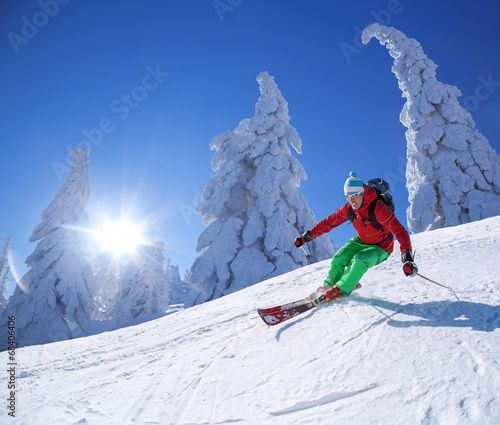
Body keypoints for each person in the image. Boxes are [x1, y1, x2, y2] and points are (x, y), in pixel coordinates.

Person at [294, 171, 418, 299]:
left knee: (360, 259)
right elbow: (329, 222)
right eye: (348, 196)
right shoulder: (349, 208)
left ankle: (342, 288)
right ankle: (329, 285)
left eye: (354, 195)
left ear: (362, 192)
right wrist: (306, 237)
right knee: (339, 258)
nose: (351, 200)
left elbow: (400, 232)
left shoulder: (379, 209)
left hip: (381, 247)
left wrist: (407, 256)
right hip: (361, 241)